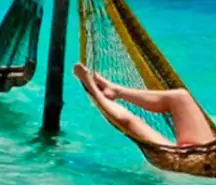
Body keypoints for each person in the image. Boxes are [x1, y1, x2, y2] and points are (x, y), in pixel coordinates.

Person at [73, 63, 216, 148]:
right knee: (179, 96)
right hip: (203, 150)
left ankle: (93, 89)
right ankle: (116, 91)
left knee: (131, 122)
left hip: (193, 163)